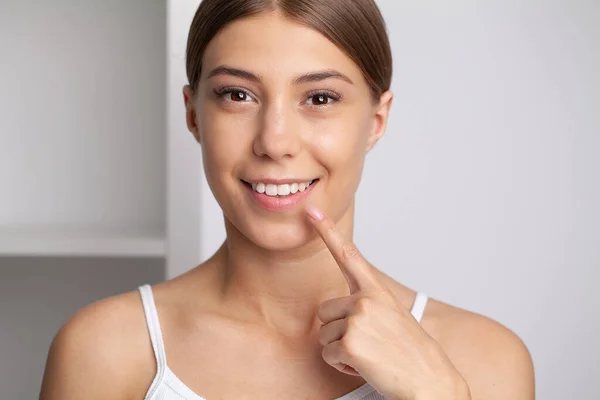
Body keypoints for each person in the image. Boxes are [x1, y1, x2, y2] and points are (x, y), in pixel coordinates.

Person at [39, 0, 535, 399]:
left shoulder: (483, 360)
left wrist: (436, 394)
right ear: (193, 115)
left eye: (319, 98)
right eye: (237, 95)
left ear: (377, 121)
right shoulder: (104, 350)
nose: (274, 142)